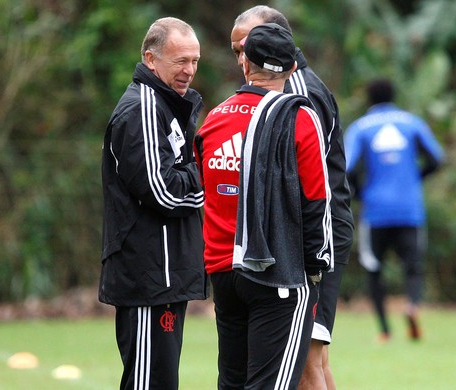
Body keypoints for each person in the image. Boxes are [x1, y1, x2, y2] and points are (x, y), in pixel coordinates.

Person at [194, 23, 333, 389]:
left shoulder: (214, 118)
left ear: (245, 64)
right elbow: (317, 199)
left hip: (223, 270)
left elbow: (208, 192)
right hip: (278, 274)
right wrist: (316, 267)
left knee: (233, 382)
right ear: (291, 69)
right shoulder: (299, 117)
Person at [229, 6, 355, 389]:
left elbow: (309, 185)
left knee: (304, 360)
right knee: (312, 358)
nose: (241, 60)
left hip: (310, 238)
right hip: (300, 236)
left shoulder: (295, 94)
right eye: (235, 50)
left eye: (245, 48)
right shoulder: (285, 88)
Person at [99, 17, 207, 390]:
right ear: (151, 58)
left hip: (166, 275)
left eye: (194, 61)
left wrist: (193, 171)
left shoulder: (165, 105)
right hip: (150, 277)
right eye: (180, 61)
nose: (189, 70)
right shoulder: (143, 109)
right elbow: (164, 191)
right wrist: (205, 173)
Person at [344, 78, 445, 343]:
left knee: (374, 269)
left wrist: (358, 192)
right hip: (409, 208)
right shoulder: (412, 122)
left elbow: (347, 166)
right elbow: (437, 158)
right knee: (413, 266)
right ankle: (412, 305)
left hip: (375, 211)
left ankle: (384, 330)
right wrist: (416, 178)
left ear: (369, 98)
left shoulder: (361, 127)